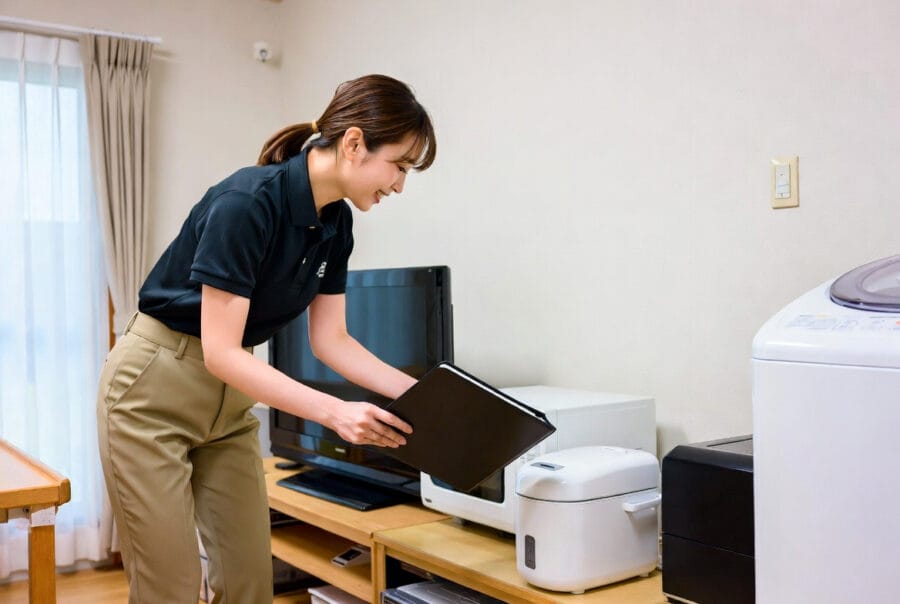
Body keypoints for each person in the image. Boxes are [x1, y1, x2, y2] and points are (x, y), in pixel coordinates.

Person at [96, 74, 437, 603]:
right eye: (399, 165)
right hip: (153, 391)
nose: (399, 184)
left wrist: (426, 396)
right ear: (353, 143)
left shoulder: (337, 223)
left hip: (228, 403)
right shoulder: (247, 201)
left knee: (250, 582)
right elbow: (221, 350)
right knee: (172, 588)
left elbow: (332, 341)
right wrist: (335, 413)